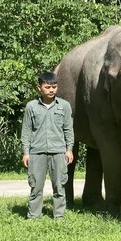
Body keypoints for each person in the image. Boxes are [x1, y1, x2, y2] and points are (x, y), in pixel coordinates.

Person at [21, 71, 74, 220]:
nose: (51, 90)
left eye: (54, 87)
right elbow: (26, 131)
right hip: (37, 152)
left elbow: (68, 130)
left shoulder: (64, 106)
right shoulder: (31, 107)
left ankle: (59, 216)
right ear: (39, 88)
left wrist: (69, 150)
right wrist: (26, 152)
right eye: (47, 87)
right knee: (36, 187)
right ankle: (33, 216)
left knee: (59, 186)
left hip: (58, 152)